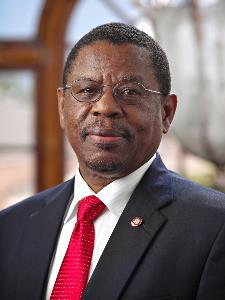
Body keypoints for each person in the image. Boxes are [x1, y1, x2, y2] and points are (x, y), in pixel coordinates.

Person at [1, 22, 225, 300]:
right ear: (62, 107)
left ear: (166, 112)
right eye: (86, 90)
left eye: (130, 91)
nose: (105, 107)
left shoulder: (215, 227)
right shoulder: (10, 226)